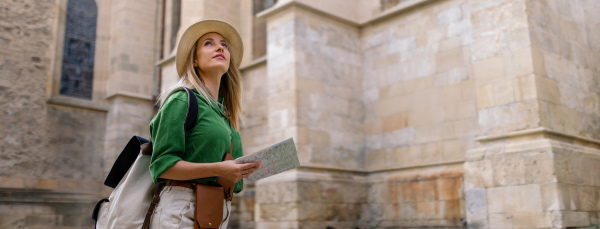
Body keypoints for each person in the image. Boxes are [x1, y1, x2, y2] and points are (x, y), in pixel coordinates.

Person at [148, 19, 260, 228]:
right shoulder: (181, 100)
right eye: (209, 43)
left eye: (224, 45)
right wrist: (221, 168)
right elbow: (162, 167)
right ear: (195, 60)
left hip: (216, 211)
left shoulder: (224, 113)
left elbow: (232, 183)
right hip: (181, 212)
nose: (220, 47)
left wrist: (241, 170)